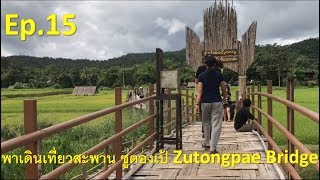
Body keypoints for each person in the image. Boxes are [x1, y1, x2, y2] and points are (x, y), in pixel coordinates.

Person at [196, 54, 227, 154]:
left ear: (205, 64)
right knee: (216, 124)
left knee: (206, 122)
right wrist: (225, 97)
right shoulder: (219, 74)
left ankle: (207, 143)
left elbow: (199, 92)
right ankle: (213, 148)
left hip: (205, 102)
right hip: (217, 101)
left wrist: (197, 104)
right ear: (214, 64)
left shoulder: (201, 76)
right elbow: (223, 88)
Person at [195, 59, 207, 138]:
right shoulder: (217, 70)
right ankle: (210, 133)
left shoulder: (200, 70)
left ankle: (205, 131)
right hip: (215, 97)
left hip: (203, 96)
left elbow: (196, 81)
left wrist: (197, 102)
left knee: (204, 116)